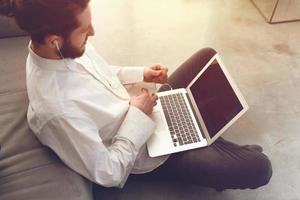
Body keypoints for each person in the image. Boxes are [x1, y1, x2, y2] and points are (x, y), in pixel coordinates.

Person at [0, 0, 272, 198]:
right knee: (260, 167)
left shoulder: (60, 49)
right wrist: (137, 117)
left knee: (206, 56)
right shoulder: (57, 111)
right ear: (55, 40)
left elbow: (102, 73)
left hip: (144, 109)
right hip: (146, 154)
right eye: (85, 30)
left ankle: (199, 135)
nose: (92, 32)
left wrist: (142, 73)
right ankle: (204, 140)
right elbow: (108, 173)